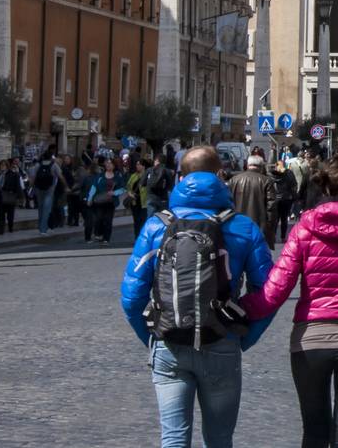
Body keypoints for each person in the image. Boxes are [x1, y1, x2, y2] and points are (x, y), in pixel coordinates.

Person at [119, 145, 275, 448]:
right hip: (222, 339)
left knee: (174, 438)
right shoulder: (242, 226)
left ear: (181, 176)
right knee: (219, 439)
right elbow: (268, 293)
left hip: (169, 341)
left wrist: (152, 337)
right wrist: (245, 337)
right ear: (221, 175)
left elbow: (132, 296)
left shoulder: (156, 225)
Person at [241, 155, 338, 448]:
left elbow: (276, 290)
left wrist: (240, 309)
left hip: (310, 340)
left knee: (314, 432)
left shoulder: (304, 229)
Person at [230, 155, 282, 249]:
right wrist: (271, 227)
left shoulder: (234, 180)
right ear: (261, 166)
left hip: (238, 226)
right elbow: (271, 206)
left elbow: (228, 203)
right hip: (259, 227)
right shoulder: (266, 181)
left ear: (247, 165)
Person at [86, 157, 123, 244]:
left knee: (108, 220)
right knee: (99, 219)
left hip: (111, 202)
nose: (108, 165)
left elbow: (122, 188)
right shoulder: (100, 176)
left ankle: (106, 238)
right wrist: (89, 198)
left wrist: (114, 193)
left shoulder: (117, 177)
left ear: (114, 165)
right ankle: (99, 233)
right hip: (99, 201)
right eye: (107, 163)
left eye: (110, 163)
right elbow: (94, 187)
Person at [32, 149, 62, 236]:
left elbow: (33, 177)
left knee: (40, 208)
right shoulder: (54, 165)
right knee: (47, 209)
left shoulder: (38, 165)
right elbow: (61, 176)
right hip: (49, 189)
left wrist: (31, 187)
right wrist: (67, 186)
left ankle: (40, 227)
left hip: (39, 188)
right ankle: (43, 229)